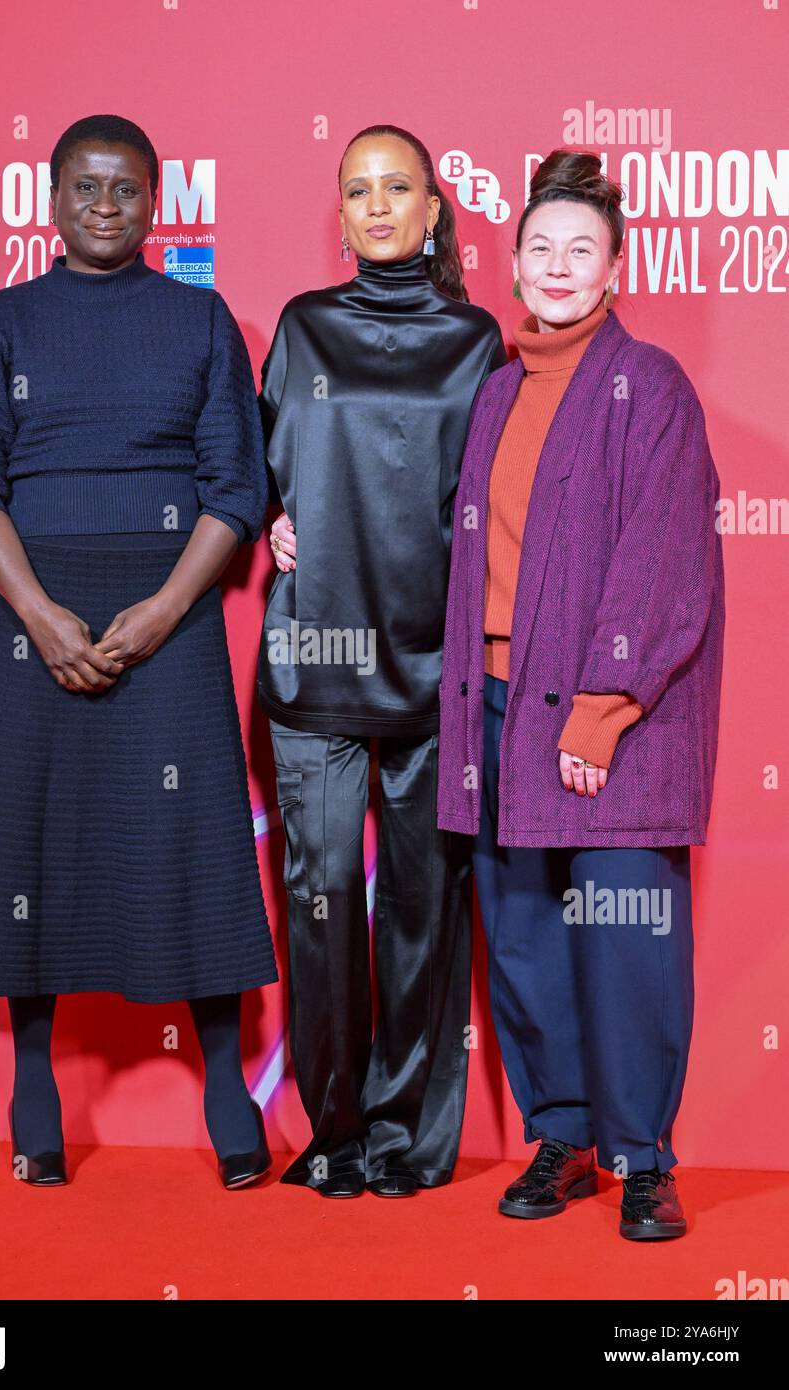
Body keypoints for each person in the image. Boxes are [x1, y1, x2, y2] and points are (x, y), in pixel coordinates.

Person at [0, 114, 277, 1190]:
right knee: (31, 835)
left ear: (155, 204)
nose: (106, 207)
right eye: (86, 187)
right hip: (37, 608)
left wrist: (167, 610)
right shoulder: (3, 323)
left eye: (126, 191)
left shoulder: (201, 320)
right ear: (54, 197)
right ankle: (36, 1089)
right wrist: (36, 611)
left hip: (170, 609)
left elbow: (237, 486)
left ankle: (225, 1089)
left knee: (193, 841)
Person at [438, 148, 725, 1239]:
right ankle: (560, 1131)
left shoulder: (646, 385)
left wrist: (601, 708)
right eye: (539, 249)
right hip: (499, 703)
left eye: (581, 251)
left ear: (614, 265)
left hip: (611, 714)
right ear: (509, 262)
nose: (557, 268)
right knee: (520, 931)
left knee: (624, 929)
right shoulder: (498, 390)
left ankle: (641, 1155)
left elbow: (662, 560)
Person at [258, 124, 506, 1198]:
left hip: (430, 661)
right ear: (342, 210)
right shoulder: (303, 327)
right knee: (319, 902)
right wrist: (278, 521)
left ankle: (405, 1135)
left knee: (420, 904)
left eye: (394, 186)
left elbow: (493, 500)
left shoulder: (475, 337)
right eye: (355, 189)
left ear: (429, 208)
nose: (373, 205)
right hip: (314, 656)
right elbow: (265, 468)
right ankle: (335, 1131)